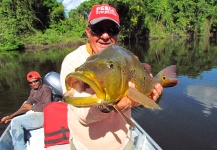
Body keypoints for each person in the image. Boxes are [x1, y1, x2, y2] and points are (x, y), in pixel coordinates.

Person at [60, 4, 163, 150]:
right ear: (88, 32)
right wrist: (108, 106)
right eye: (98, 29)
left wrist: (147, 97)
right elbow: (80, 115)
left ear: (117, 34)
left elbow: (133, 96)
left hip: (122, 144)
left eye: (112, 30)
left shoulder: (125, 58)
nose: (105, 36)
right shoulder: (73, 62)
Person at [1, 71, 52, 150]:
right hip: (37, 113)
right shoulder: (33, 90)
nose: (33, 84)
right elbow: (25, 106)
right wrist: (10, 117)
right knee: (15, 120)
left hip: (45, 116)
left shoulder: (45, 89)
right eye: (30, 83)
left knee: (16, 122)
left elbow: (47, 107)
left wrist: (31, 108)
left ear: (40, 80)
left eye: (35, 81)